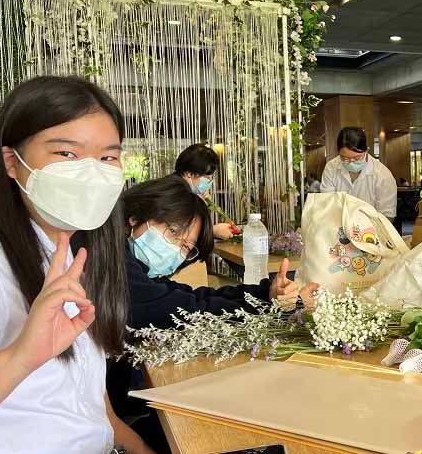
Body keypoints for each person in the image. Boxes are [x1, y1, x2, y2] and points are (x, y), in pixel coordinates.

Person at [0, 76, 151, 453]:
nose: (91, 173)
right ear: (12, 162)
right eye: (66, 154)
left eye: (108, 157)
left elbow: (85, 400)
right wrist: (19, 357)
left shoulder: (70, 257)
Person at [109, 176, 318, 453]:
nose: (175, 250)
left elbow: (192, 297)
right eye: (172, 233)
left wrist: (265, 294)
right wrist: (274, 307)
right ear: (135, 217)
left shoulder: (131, 264)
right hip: (112, 422)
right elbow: (188, 310)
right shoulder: (113, 265)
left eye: (185, 247)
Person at [321, 127, 397, 219]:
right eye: (345, 158)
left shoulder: (382, 175)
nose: (351, 162)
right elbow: (328, 204)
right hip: (338, 225)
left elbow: (387, 215)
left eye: (356, 158)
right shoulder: (331, 168)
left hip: (372, 228)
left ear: (366, 151)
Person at [174, 143, 237, 240]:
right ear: (189, 173)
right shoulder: (175, 195)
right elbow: (175, 234)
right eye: (207, 177)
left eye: (211, 177)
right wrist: (213, 231)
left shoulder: (183, 191)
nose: (210, 181)